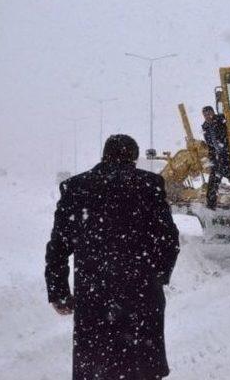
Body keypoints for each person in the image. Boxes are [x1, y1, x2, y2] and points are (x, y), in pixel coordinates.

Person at [45, 134, 180, 380]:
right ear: (134, 159)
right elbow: (169, 240)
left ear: (104, 156)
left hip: (95, 294)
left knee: (96, 364)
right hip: (142, 295)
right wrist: (157, 277)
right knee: (141, 367)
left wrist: (59, 292)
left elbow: (58, 247)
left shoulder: (76, 187)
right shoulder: (150, 185)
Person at [201, 106, 230, 209]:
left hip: (229, 156)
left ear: (213, 113)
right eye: (205, 115)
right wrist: (212, 160)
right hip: (218, 158)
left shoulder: (221, 121)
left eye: (209, 114)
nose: (207, 117)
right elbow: (210, 147)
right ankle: (211, 205)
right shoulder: (205, 127)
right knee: (213, 181)